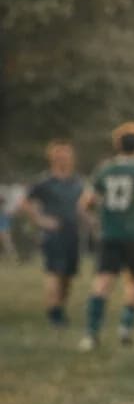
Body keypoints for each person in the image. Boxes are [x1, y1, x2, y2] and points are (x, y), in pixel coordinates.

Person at [77, 123, 134, 350]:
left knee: (103, 281)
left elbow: (85, 203)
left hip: (110, 234)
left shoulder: (104, 170)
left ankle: (91, 333)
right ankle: (126, 328)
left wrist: (95, 221)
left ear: (117, 145)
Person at [22, 140, 87, 327]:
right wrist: (41, 220)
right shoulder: (44, 182)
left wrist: (90, 221)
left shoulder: (77, 182)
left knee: (68, 276)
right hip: (54, 233)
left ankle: (60, 308)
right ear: (53, 158)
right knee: (55, 272)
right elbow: (25, 203)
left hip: (72, 232)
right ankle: (54, 313)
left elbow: (80, 206)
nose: (65, 159)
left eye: (67, 156)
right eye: (60, 156)